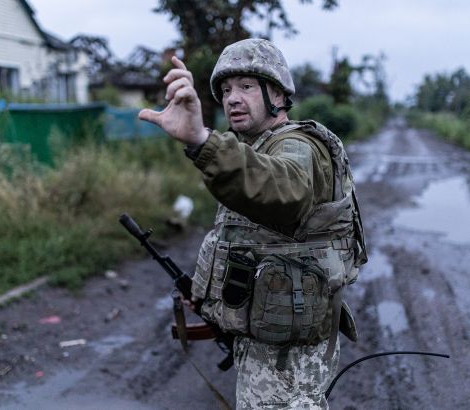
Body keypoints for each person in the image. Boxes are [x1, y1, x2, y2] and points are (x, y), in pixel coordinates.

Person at [139, 38, 366, 409]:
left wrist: (200, 140)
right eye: (226, 90)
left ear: (276, 92)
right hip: (267, 344)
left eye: (246, 86)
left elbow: (283, 188)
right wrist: (206, 291)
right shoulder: (256, 147)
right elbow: (250, 239)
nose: (232, 98)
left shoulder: (298, 147)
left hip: (287, 364)